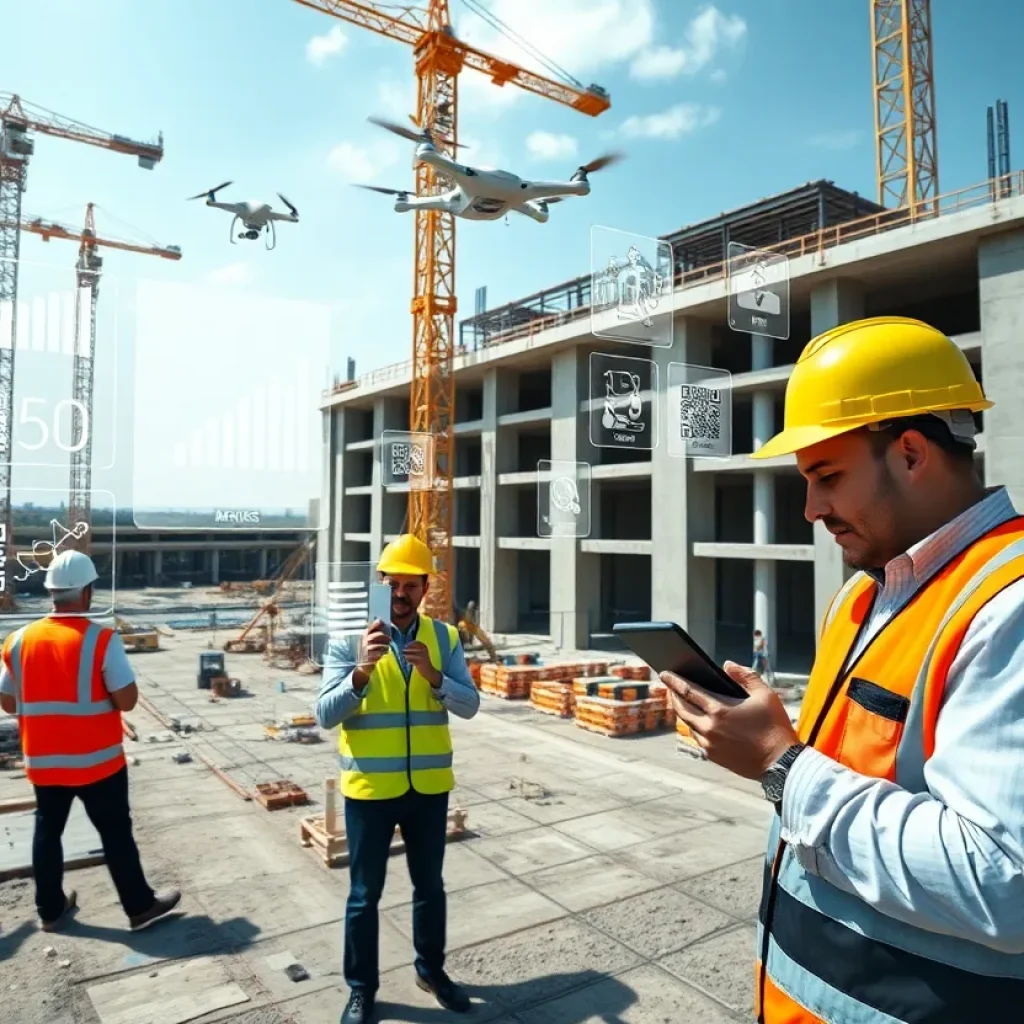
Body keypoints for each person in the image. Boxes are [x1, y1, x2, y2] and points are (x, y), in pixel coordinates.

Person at [658, 316, 1024, 1021]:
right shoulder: (862, 596)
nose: (810, 509)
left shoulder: (1006, 604)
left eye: (827, 476)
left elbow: (1002, 882)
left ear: (912, 453)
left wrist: (781, 767)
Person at [315, 534, 480, 1024]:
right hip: (370, 792)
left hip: (428, 791)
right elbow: (325, 714)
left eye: (412, 584)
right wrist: (361, 673)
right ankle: (362, 990)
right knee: (365, 897)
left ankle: (431, 970)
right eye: (395, 584)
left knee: (430, 888)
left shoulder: (445, 639)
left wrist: (435, 678)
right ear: (380, 585)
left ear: (426, 587)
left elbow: (470, 706)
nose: (403, 594)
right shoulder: (349, 641)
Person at [0, 550, 180, 932]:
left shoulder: (18, 640)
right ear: (86, 593)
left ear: (52, 592)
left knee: (47, 833)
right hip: (97, 763)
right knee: (115, 833)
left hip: (44, 763)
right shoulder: (101, 639)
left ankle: (50, 911)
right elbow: (127, 701)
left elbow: (8, 699)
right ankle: (139, 906)